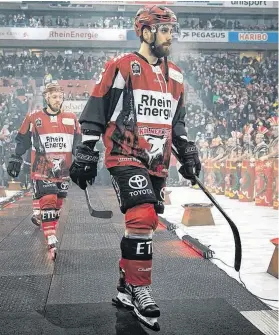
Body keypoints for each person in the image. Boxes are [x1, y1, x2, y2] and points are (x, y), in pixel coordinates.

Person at [69, 5, 201, 331]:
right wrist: (86, 149)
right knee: (142, 214)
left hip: (157, 162)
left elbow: (177, 123)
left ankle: (125, 287)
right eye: (165, 29)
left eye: (172, 29)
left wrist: (187, 153)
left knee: (144, 223)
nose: (171, 36)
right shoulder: (122, 66)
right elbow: (98, 106)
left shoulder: (178, 76)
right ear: (145, 31)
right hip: (124, 155)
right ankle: (141, 289)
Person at [7, 83, 81, 260]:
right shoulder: (34, 117)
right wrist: (16, 156)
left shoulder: (71, 118)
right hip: (41, 167)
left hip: (63, 168)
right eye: (54, 96)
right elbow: (22, 139)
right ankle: (51, 238)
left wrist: (81, 160)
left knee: (58, 204)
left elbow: (78, 142)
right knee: (48, 199)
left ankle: (47, 224)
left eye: (60, 96)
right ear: (46, 98)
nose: (58, 99)